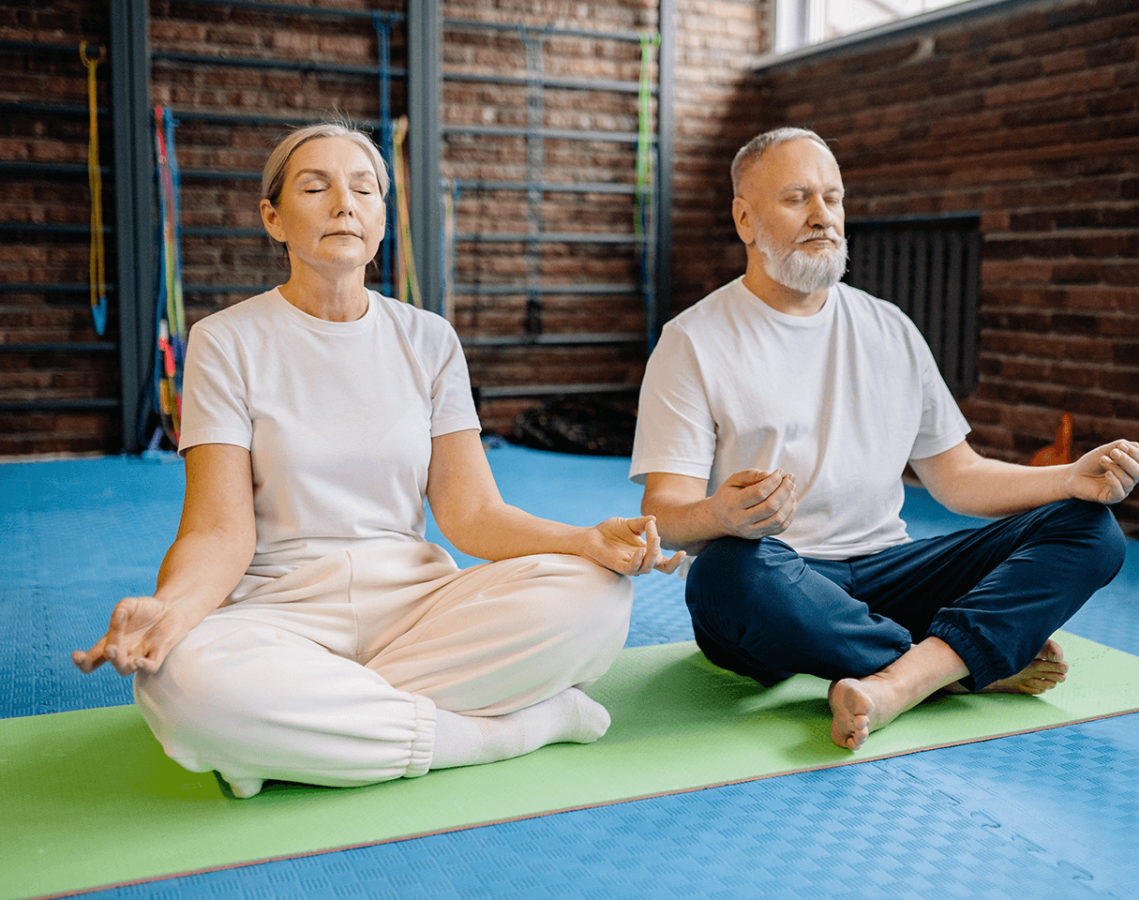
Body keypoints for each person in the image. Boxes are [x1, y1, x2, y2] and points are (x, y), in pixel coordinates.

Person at [73, 122, 682, 798]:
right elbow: (218, 531)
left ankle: (292, 733)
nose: (345, 203)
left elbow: (471, 513)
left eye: (364, 188)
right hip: (279, 612)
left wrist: (585, 540)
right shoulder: (225, 342)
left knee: (596, 597)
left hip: (417, 607)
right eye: (316, 186)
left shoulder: (429, 340)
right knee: (177, 682)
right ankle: (509, 730)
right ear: (273, 218)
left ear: (382, 219)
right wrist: (173, 609)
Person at [630, 127, 1139, 752]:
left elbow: (958, 477)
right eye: (798, 198)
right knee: (722, 574)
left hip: (891, 573)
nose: (823, 216)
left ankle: (905, 680)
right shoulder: (692, 341)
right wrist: (719, 514)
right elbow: (664, 517)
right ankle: (957, 665)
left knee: (1090, 528)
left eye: (834, 198)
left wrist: (1069, 479)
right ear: (745, 218)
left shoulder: (890, 328)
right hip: (777, 580)